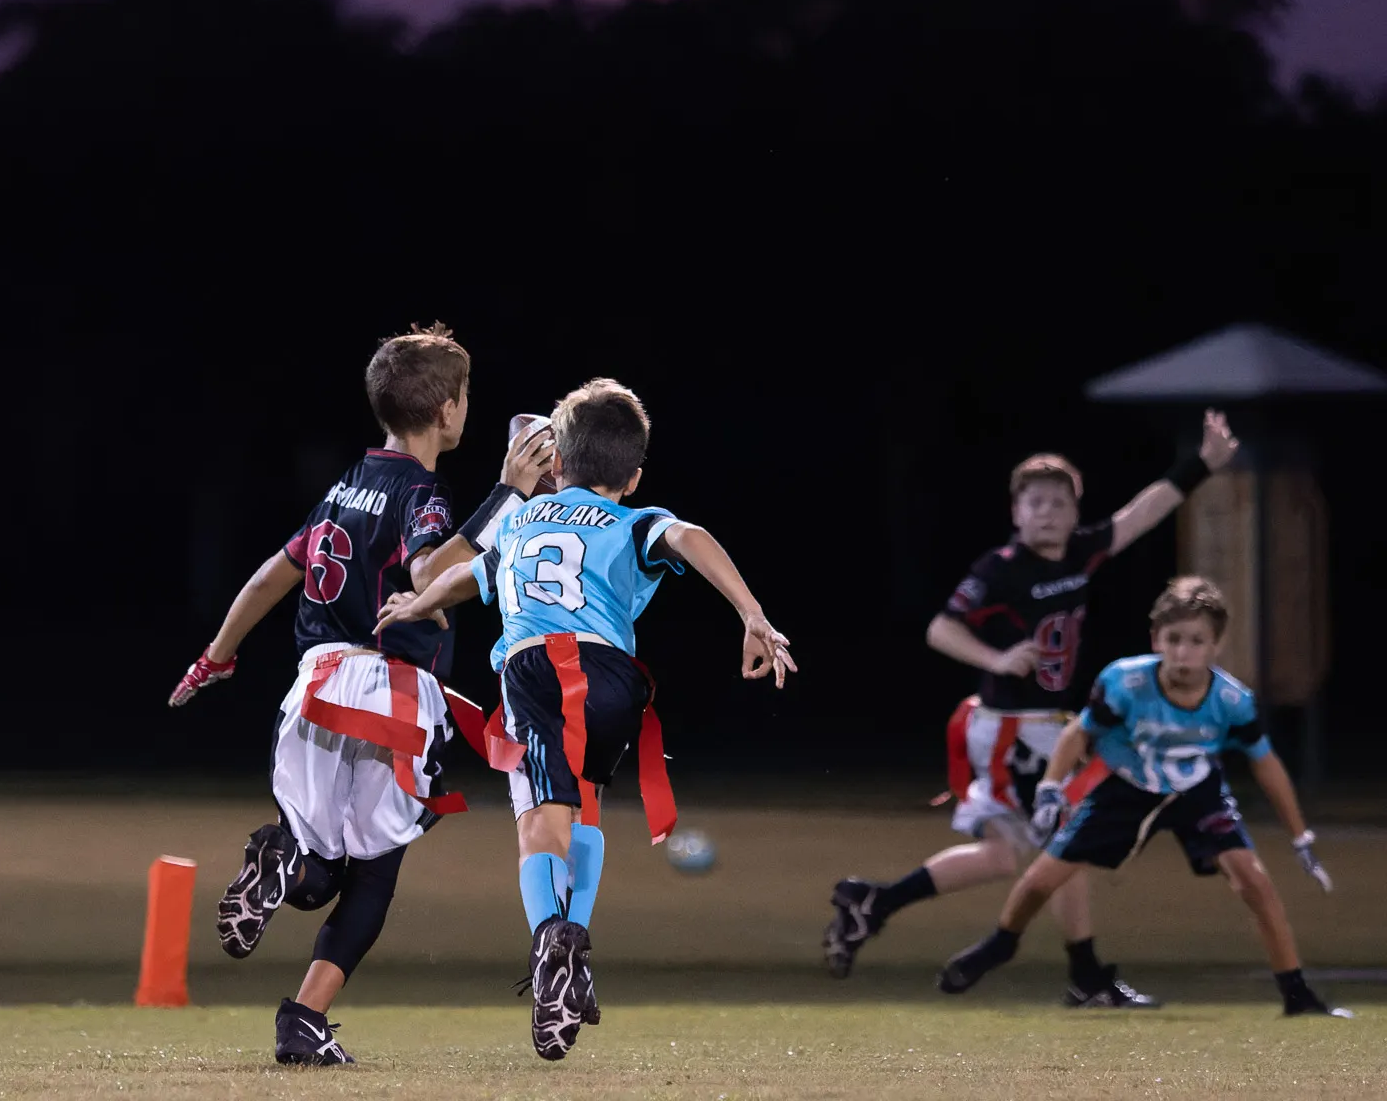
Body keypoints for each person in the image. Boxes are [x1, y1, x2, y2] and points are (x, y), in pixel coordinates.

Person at [167, 324, 556, 1066]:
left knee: (320, 878)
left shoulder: (349, 481)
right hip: (389, 693)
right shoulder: (422, 490)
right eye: (465, 395)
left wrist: (215, 658)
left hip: (314, 688)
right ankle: (305, 1010)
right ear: (446, 410)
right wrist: (509, 491)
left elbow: (268, 577)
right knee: (378, 869)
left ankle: (289, 915)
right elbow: (428, 571)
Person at [377, 378, 795, 1061]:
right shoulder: (634, 520)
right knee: (585, 807)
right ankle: (571, 948)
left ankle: (552, 950)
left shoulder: (519, 520)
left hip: (539, 669)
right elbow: (689, 535)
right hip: (613, 680)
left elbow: (463, 578)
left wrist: (416, 606)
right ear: (631, 477)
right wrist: (753, 613)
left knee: (537, 816)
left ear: (558, 466)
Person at [823, 410, 1238, 1006]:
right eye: (1035, 501)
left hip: (1042, 728)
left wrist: (1201, 464)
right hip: (1011, 728)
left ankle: (875, 901)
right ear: (1016, 512)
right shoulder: (1001, 569)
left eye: (1058, 502)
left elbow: (1143, 513)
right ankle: (1086, 976)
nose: (1047, 511)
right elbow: (941, 629)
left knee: (1006, 855)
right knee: (1070, 842)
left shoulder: (1081, 552)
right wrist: (994, 659)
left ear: (1075, 510)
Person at [938, 577, 1349, 1017]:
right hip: (1127, 787)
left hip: (1196, 791)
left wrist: (1299, 835)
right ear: (1156, 639)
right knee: (1041, 880)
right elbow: (1080, 733)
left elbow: (1265, 763)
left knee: (1254, 881)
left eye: (1196, 641)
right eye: (1173, 640)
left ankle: (1296, 993)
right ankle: (1001, 944)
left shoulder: (1232, 699)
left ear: (1216, 645)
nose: (1183, 652)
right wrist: (1050, 787)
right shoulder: (1125, 681)